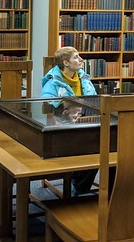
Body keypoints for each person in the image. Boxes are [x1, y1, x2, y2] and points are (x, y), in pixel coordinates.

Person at [41, 46, 98, 195]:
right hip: (63, 128)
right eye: (76, 57)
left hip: (86, 124)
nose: (81, 60)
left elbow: (94, 100)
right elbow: (46, 107)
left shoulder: (84, 79)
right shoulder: (53, 83)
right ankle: (79, 189)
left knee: (102, 149)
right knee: (92, 150)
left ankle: (80, 186)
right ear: (66, 63)